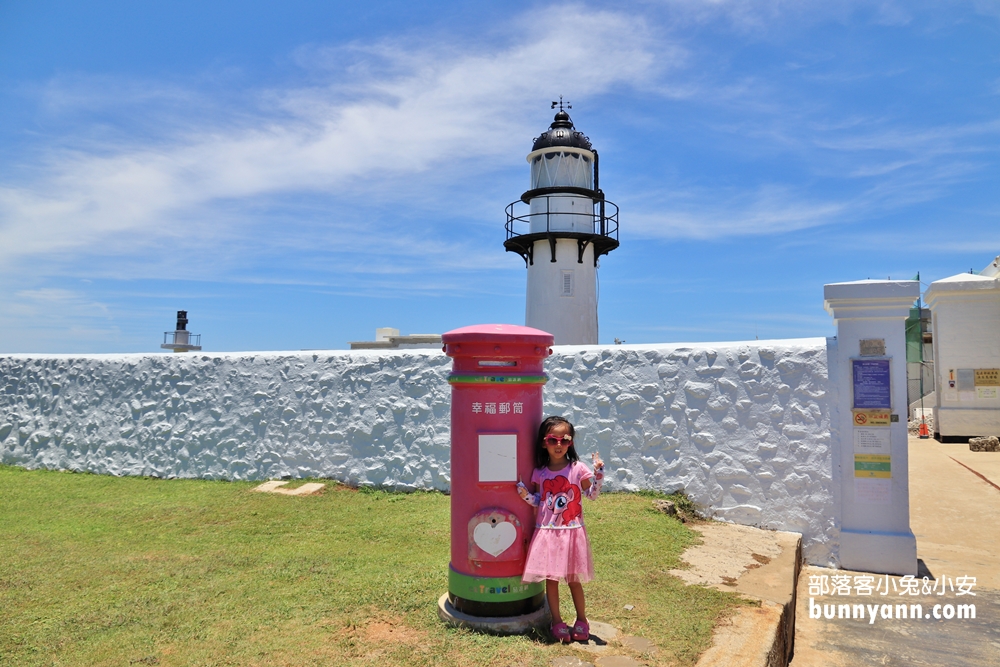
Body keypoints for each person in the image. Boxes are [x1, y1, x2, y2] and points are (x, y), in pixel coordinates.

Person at [517, 416, 604, 643]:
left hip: (572, 532)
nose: (558, 445)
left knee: (574, 579)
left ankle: (582, 620)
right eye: (552, 439)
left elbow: (591, 495)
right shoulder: (540, 473)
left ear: (570, 442)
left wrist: (598, 476)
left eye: (564, 440)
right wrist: (525, 494)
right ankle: (557, 621)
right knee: (552, 580)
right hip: (547, 534)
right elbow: (541, 500)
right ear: (544, 442)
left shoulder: (578, 469)